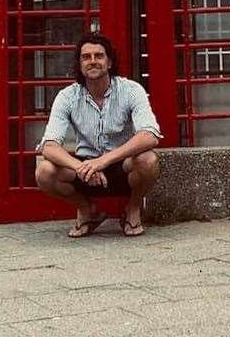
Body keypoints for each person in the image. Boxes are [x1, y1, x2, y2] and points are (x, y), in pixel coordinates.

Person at [34, 33, 161, 238]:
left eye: (99, 56)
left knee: (148, 160)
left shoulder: (131, 90)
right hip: (84, 168)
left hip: (122, 165)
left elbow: (150, 135)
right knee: (44, 172)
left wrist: (102, 161)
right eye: (86, 57)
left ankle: (133, 207)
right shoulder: (67, 96)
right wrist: (82, 167)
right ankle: (87, 209)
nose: (92, 61)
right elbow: (48, 145)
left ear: (109, 62)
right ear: (79, 64)